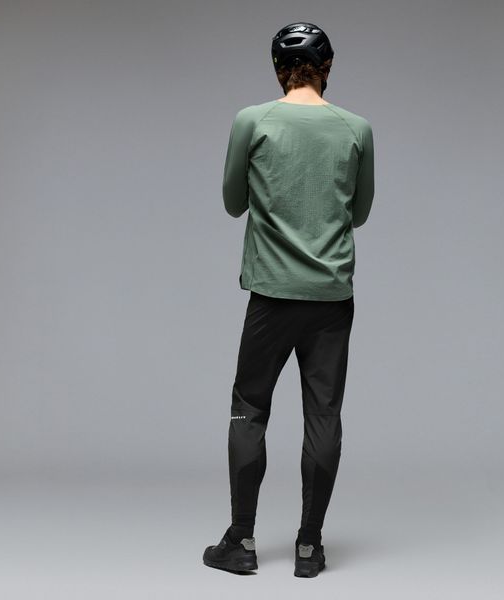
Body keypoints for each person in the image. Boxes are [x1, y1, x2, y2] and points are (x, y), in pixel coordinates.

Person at [203, 21, 375, 577]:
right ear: (328, 68)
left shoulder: (252, 121)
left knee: (250, 408)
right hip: (331, 298)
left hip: (272, 296)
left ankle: (241, 540)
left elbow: (233, 202)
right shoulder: (357, 128)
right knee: (323, 414)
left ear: (278, 68)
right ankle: (309, 547)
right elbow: (360, 213)